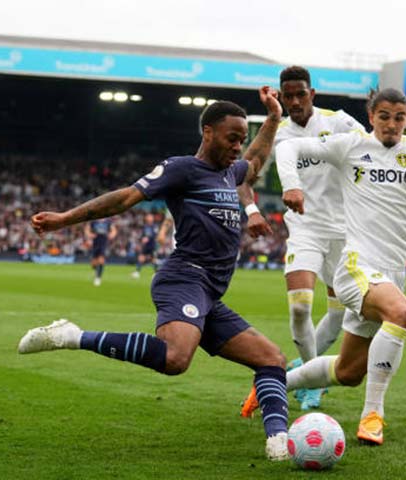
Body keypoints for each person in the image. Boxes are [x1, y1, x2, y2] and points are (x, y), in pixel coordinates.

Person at [18, 86, 291, 461]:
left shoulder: (232, 173)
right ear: (207, 132)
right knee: (176, 358)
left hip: (208, 294)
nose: (236, 147)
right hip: (184, 279)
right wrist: (66, 219)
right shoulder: (182, 169)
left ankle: (279, 442)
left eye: (240, 139)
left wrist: (274, 119)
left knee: (272, 359)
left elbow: (256, 160)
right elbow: (125, 198)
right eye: (231, 138)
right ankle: (72, 336)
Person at [270, 88, 406, 445]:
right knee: (402, 313)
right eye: (384, 116)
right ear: (371, 116)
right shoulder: (351, 145)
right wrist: (292, 186)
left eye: (399, 117)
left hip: (391, 275)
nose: (392, 124)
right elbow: (287, 147)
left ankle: (274, 383)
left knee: (349, 371)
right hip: (357, 266)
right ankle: (373, 415)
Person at [242, 66, 366, 413]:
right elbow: (243, 174)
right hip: (305, 230)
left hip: (346, 232)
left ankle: (306, 368)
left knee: (340, 316)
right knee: (299, 308)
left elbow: (371, 152)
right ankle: (314, 383)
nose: (295, 101)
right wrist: (252, 209)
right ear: (281, 97)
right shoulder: (276, 133)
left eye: (301, 94)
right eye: (288, 96)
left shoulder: (339, 122)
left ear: (312, 94)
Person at [83, 218, 117, 286]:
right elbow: (86, 229)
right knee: (94, 264)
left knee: (101, 260)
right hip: (95, 242)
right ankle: (96, 271)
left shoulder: (108, 221)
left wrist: (112, 235)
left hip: (103, 241)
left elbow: (114, 230)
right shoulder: (93, 221)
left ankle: (98, 278)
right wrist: (89, 234)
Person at [131, 213, 160, 278]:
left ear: (152, 218)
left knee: (153, 259)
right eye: (148, 217)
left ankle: (156, 273)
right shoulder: (145, 226)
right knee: (141, 257)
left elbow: (155, 235)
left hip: (152, 245)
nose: (149, 218)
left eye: (150, 217)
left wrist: (148, 238)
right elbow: (142, 236)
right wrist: (142, 239)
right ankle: (137, 272)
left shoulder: (155, 226)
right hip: (145, 245)